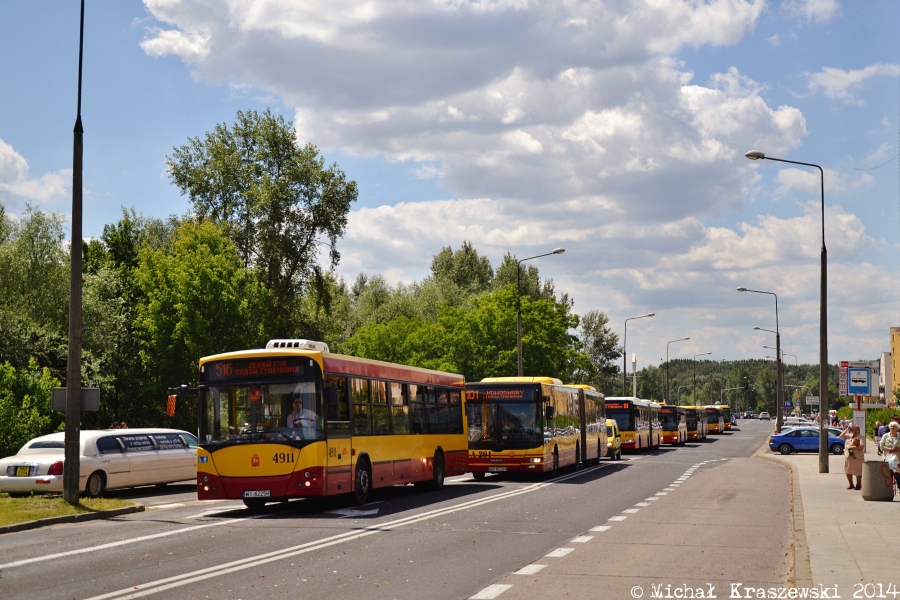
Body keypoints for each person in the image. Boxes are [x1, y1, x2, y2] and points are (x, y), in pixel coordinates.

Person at [841, 424, 863, 490]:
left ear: (858, 431)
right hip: (848, 456)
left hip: (857, 457)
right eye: (853, 430)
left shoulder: (861, 437)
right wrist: (847, 429)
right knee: (848, 471)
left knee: (858, 471)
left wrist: (851, 447)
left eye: (856, 430)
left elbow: (861, 446)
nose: (854, 431)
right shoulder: (849, 436)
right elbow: (841, 436)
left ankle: (858, 485)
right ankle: (851, 484)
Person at [880, 421, 900, 489]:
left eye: (894, 426)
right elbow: (881, 446)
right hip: (888, 457)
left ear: (897, 428)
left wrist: (898, 449)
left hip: (898, 457)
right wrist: (889, 449)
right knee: (889, 472)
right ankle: (888, 487)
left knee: (897, 472)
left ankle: (899, 486)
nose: (892, 427)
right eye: (891, 426)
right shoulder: (885, 436)